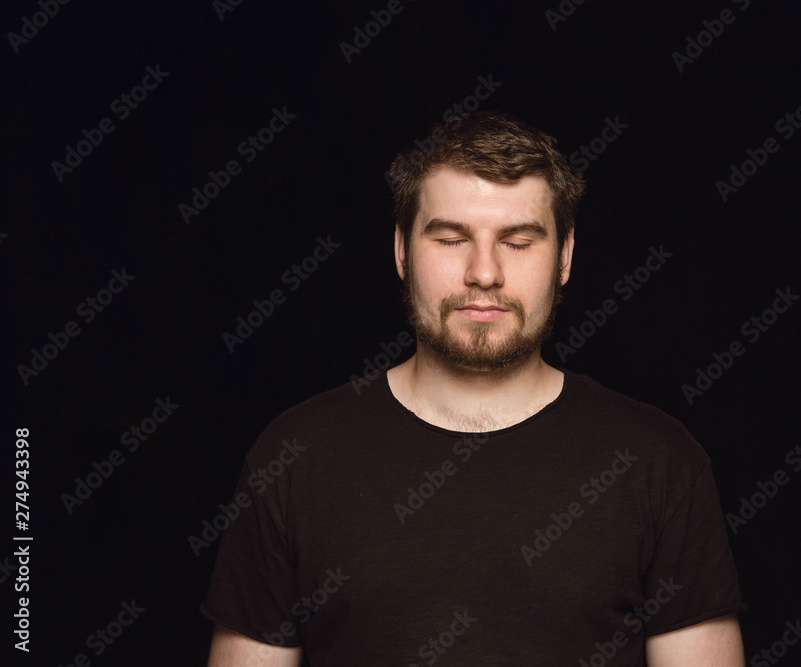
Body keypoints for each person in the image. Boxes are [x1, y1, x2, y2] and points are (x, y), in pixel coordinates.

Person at [202, 111, 747, 666]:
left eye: (517, 242)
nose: (483, 273)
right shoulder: (294, 458)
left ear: (564, 256)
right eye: (450, 238)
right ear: (401, 252)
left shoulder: (660, 463)